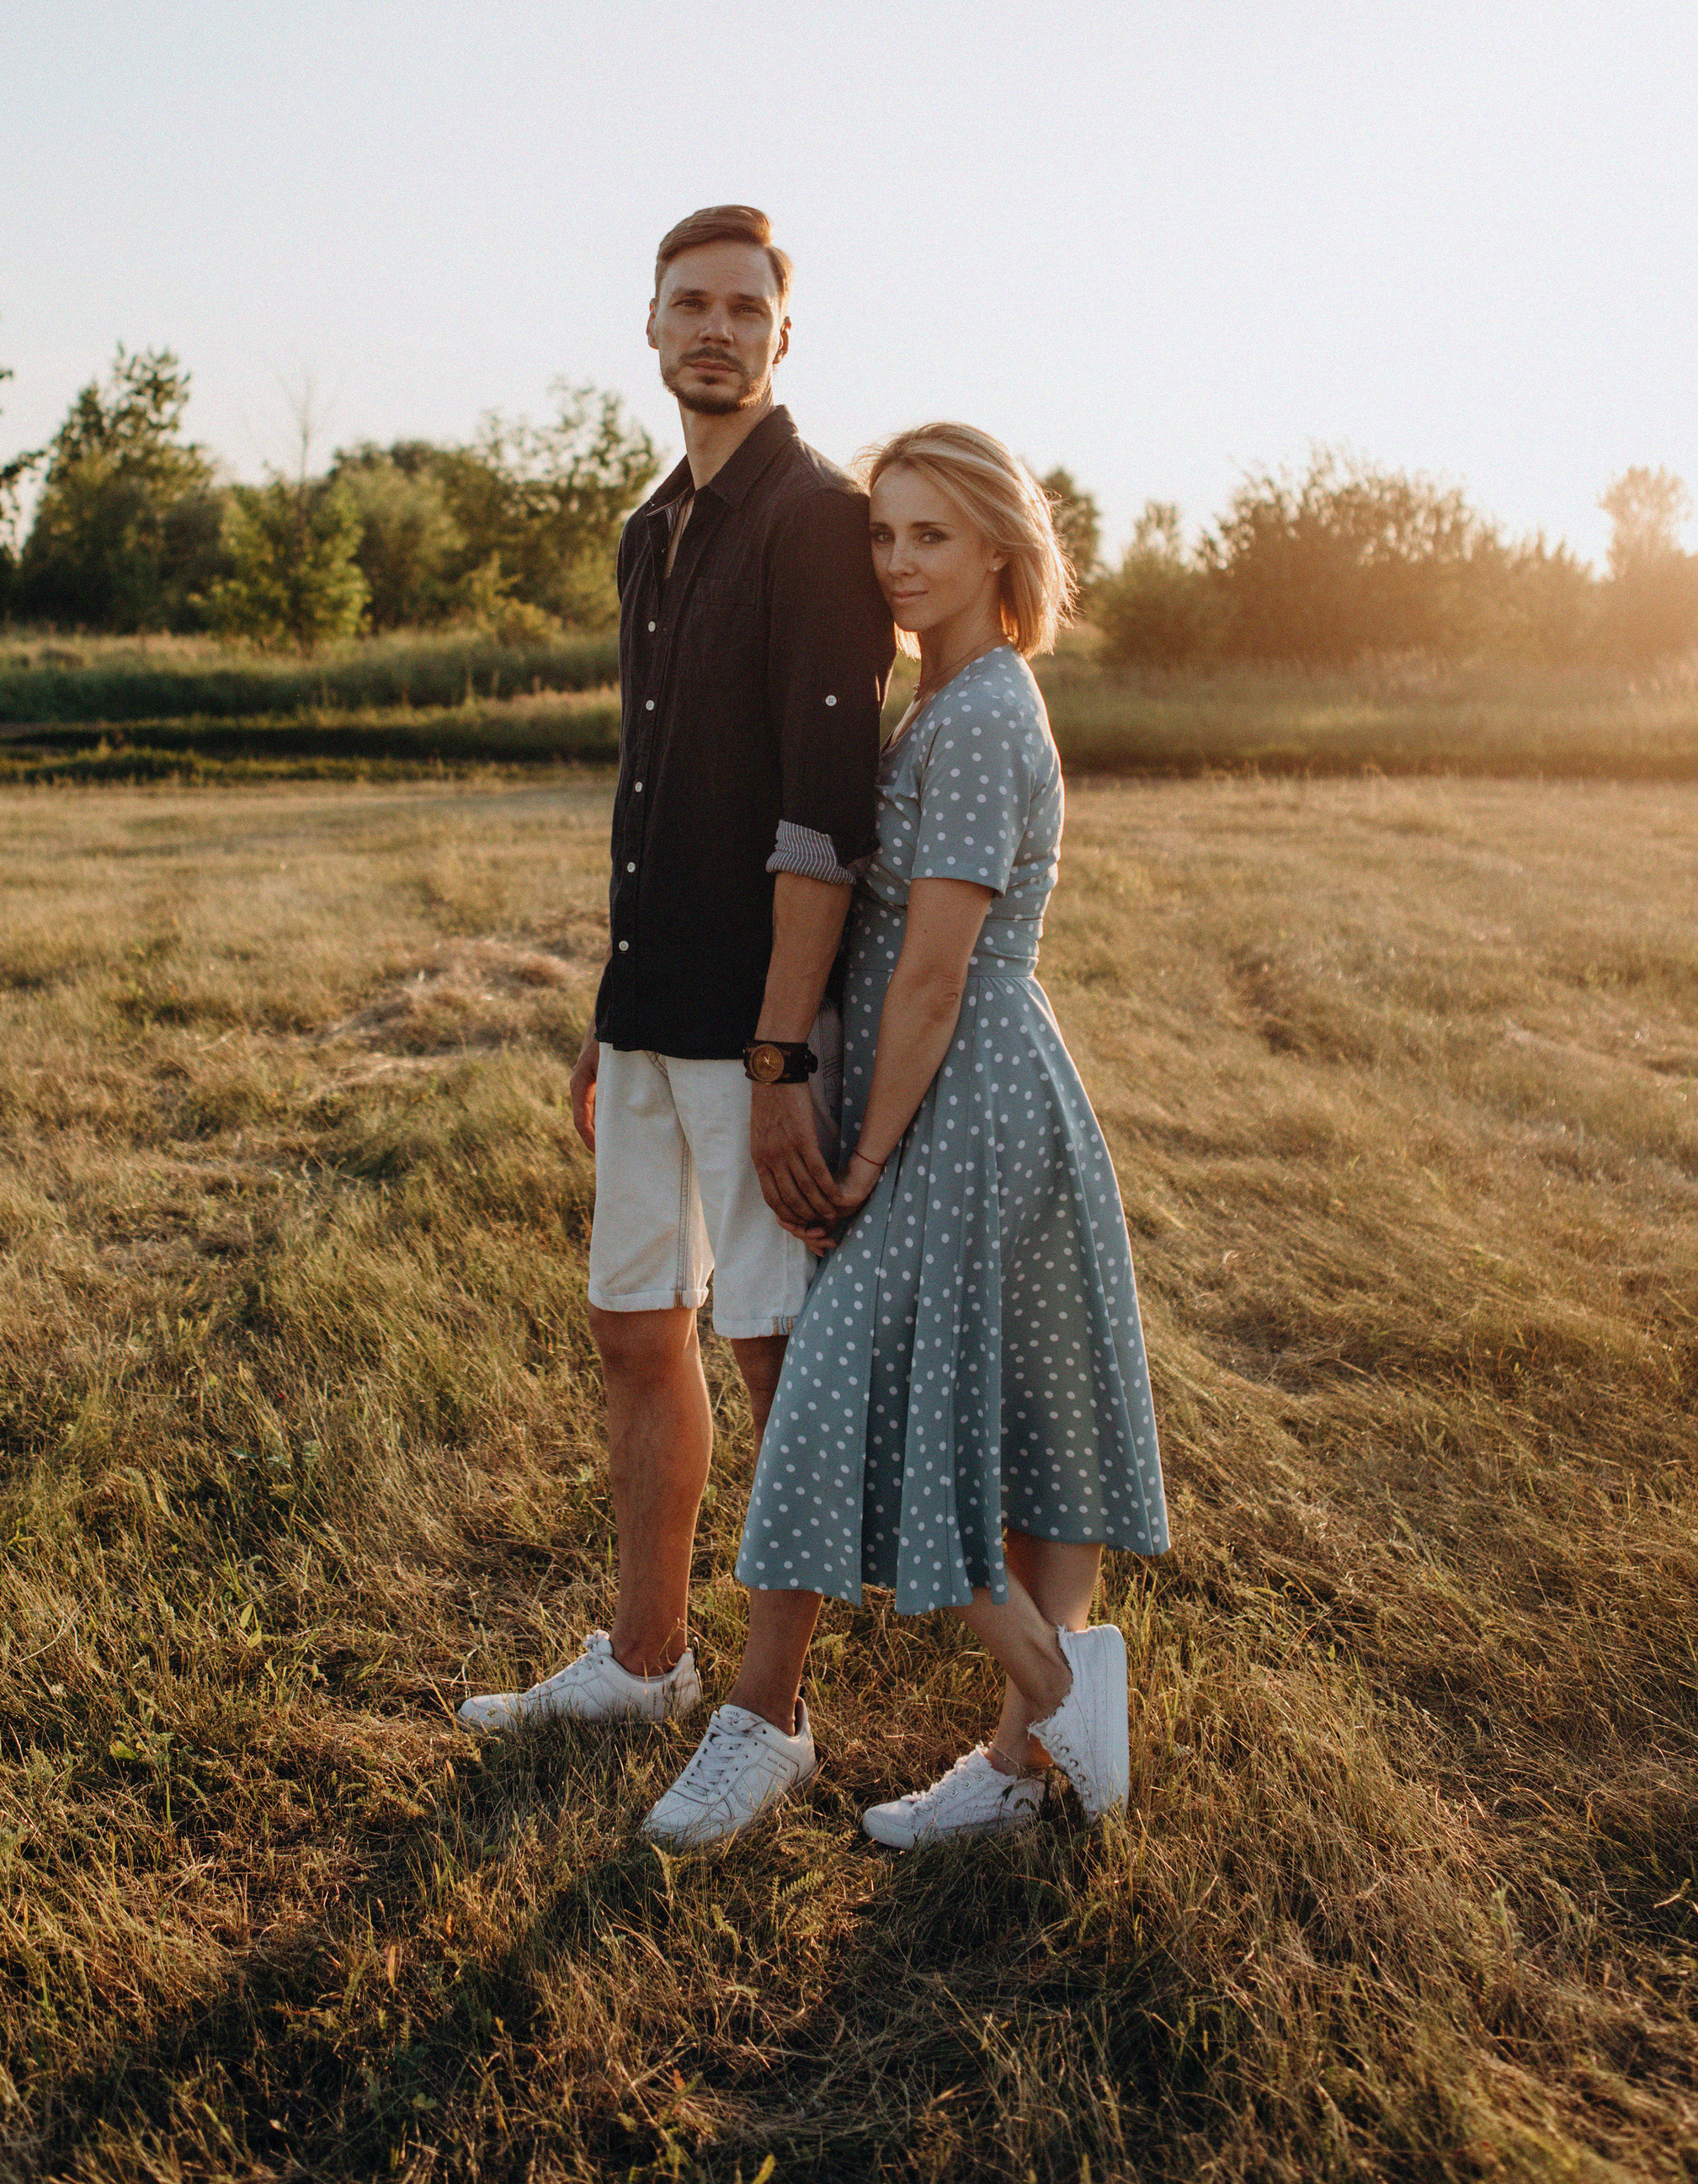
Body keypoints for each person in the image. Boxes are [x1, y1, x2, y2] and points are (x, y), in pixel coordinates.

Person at [639, 423, 1169, 1850]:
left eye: (932, 535)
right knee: (1011, 1410)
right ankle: (1023, 1761)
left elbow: (936, 973)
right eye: (883, 535)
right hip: (941, 1095)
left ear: (1000, 547)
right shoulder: (934, 706)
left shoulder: (993, 711)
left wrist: (863, 1161)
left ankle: (1050, 1695)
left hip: (968, 1100)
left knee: (842, 1396)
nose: (898, 561)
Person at [457, 208, 895, 1739]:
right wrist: (606, 1012)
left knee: (775, 1358)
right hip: (650, 1021)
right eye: (687, 306)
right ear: (649, 331)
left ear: (785, 339)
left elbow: (821, 822)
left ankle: (768, 1719)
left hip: (759, 1033)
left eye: (743, 310)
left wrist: (782, 1063)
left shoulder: (820, 522)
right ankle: (649, 1666)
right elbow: (655, 791)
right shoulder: (650, 532)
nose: (715, 330)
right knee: (637, 1332)